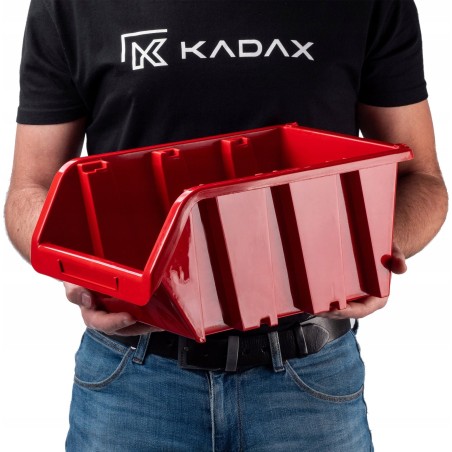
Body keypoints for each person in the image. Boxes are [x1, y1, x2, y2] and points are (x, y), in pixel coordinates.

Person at [5, 0, 447, 450]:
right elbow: (29, 188)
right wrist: (85, 274)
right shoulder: (71, 5)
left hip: (310, 379)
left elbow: (422, 179)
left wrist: (371, 249)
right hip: (134, 383)